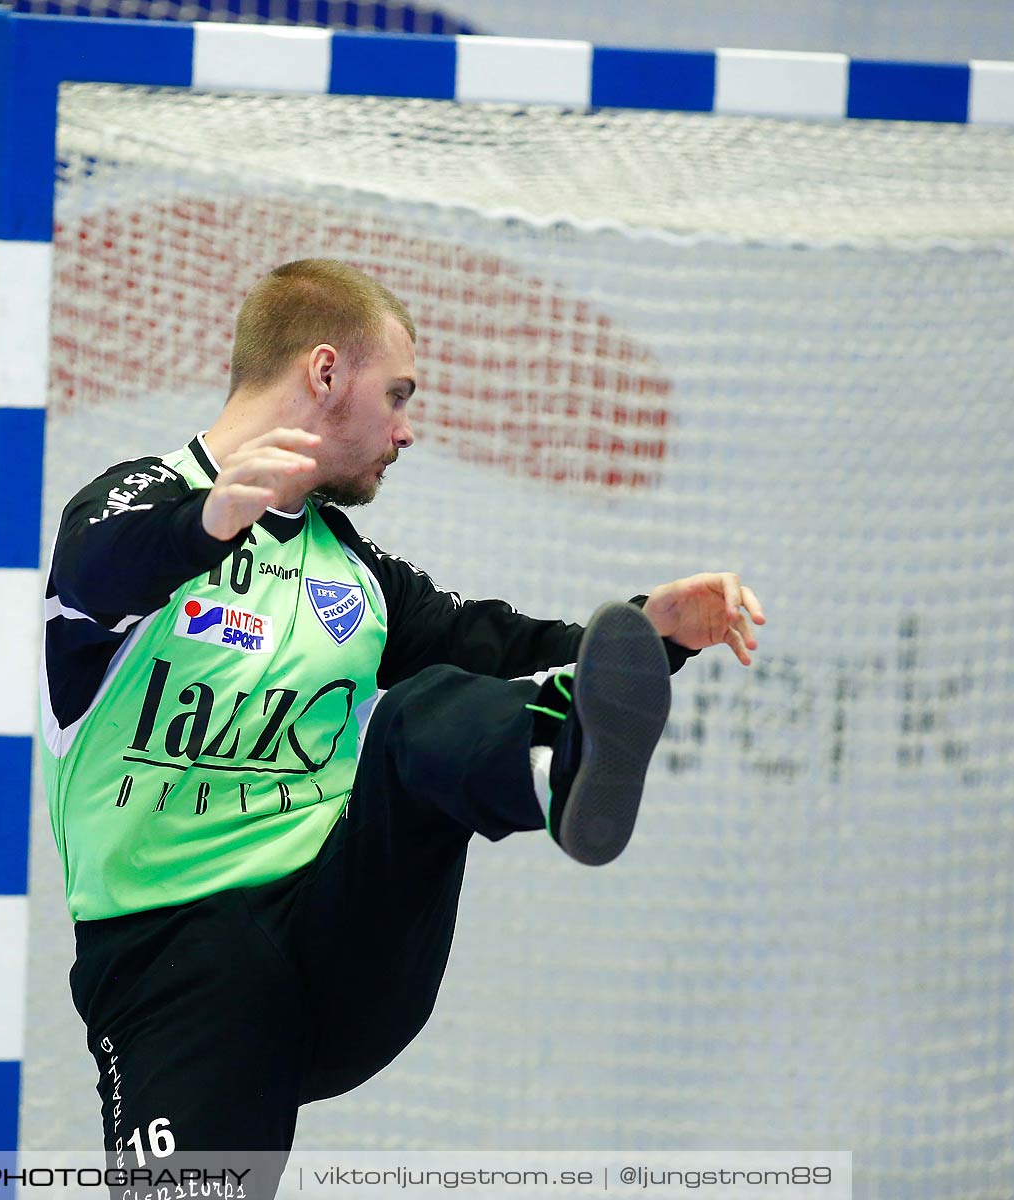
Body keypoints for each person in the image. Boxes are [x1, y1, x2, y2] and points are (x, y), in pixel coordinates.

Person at [40, 259, 764, 1196]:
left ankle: (561, 757)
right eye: (399, 395)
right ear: (326, 372)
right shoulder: (132, 503)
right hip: (175, 969)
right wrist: (207, 521)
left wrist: (652, 629)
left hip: (341, 939)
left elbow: (498, 643)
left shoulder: (359, 578)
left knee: (420, 718)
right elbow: (101, 569)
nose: (407, 430)